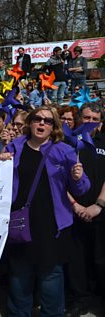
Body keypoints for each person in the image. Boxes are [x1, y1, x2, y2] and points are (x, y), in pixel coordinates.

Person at [0, 106, 90, 316]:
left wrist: (78, 178)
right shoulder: (14, 147)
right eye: (38, 119)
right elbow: (1, 182)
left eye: (47, 121)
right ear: (30, 123)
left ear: (54, 127)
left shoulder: (65, 151)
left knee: (51, 277)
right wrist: (1, 162)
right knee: (20, 276)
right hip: (21, 222)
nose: (42, 124)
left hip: (52, 225)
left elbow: (82, 189)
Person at [65, 103, 105, 317]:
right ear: (79, 119)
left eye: (94, 119)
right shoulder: (69, 143)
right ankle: (79, 299)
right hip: (75, 212)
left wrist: (98, 205)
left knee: (101, 258)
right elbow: (59, 179)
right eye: (86, 118)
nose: (90, 122)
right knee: (76, 261)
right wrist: (76, 205)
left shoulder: (104, 143)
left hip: (100, 211)